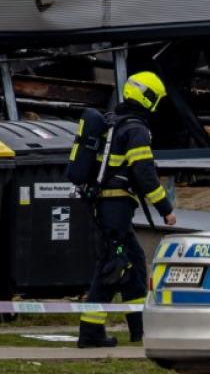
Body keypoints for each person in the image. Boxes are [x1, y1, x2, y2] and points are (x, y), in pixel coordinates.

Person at [75, 70, 177, 349]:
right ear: (147, 98)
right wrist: (165, 208)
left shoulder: (115, 123)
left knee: (133, 263)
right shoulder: (135, 129)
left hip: (108, 206)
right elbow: (143, 173)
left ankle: (139, 328)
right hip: (115, 207)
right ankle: (91, 333)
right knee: (113, 266)